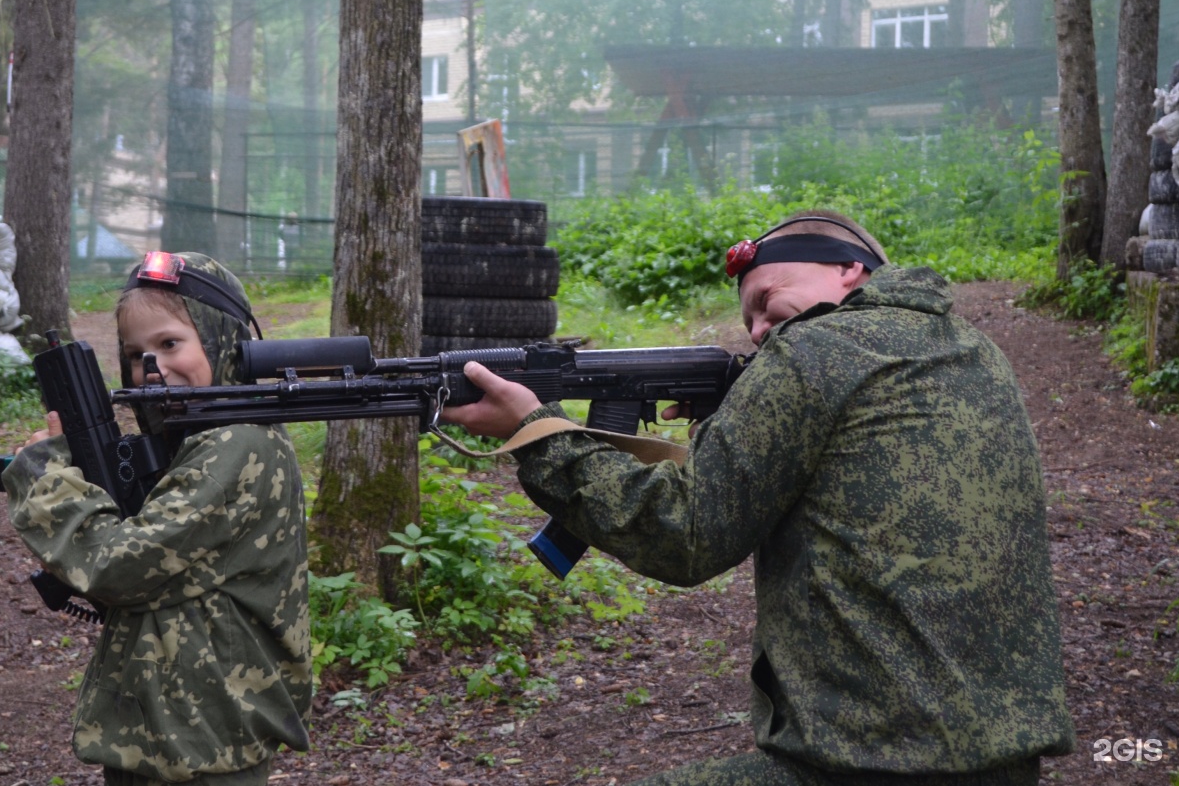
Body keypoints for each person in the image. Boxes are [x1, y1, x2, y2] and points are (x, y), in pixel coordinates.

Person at [443, 211, 1075, 785]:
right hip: (1002, 753)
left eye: (768, 301)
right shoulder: (970, 351)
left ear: (848, 270)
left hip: (873, 760)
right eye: (749, 323)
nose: (761, 332)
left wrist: (536, 430)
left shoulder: (817, 349)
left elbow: (685, 535)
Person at [3, 251, 312, 786]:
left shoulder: (238, 445)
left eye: (170, 344)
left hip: (204, 741)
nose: (153, 368)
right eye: (134, 353)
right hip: (170, 732)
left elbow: (114, 567)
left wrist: (47, 479)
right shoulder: (197, 439)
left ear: (223, 341)